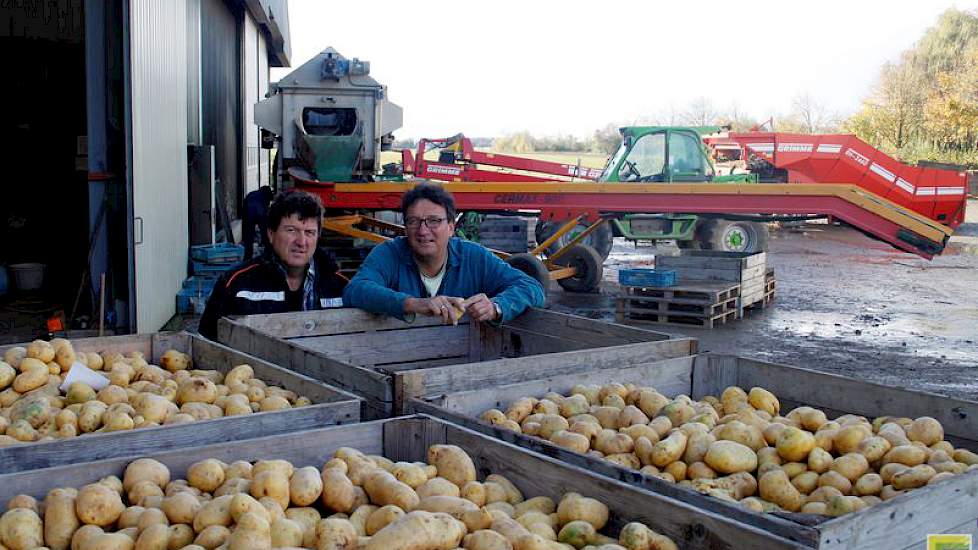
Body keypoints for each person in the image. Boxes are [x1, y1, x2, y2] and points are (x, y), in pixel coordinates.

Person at [342, 183, 545, 324]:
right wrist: (413, 304)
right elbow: (356, 290)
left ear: (451, 227)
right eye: (414, 221)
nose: (423, 230)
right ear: (405, 227)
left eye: (433, 221)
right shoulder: (389, 254)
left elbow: (531, 287)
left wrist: (496, 306)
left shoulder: (473, 257)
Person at [198, 190, 348, 339]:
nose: (302, 242)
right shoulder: (235, 285)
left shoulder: (341, 287)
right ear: (270, 234)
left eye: (309, 232)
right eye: (291, 230)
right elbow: (206, 344)